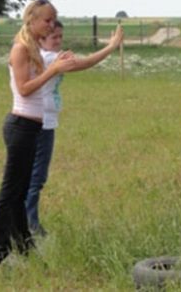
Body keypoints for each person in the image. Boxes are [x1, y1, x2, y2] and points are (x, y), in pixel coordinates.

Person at [0, 0, 76, 264]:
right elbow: (24, 88)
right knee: (10, 191)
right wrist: (53, 70)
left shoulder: (34, 49)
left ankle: (24, 245)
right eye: (47, 20)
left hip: (33, 126)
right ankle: (1, 250)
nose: (51, 25)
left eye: (53, 20)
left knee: (21, 190)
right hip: (20, 126)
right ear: (32, 20)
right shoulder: (20, 49)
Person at [25, 20, 124, 237]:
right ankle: (30, 225)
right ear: (40, 39)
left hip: (42, 121)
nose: (59, 41)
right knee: (36, 178)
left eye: (61, 36)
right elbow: (85, 63)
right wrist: (111, 46)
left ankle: (26, 222)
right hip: (42, 124)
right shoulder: (48, 58)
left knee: (32, 176)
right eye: (54, 37)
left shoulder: (43, 56)